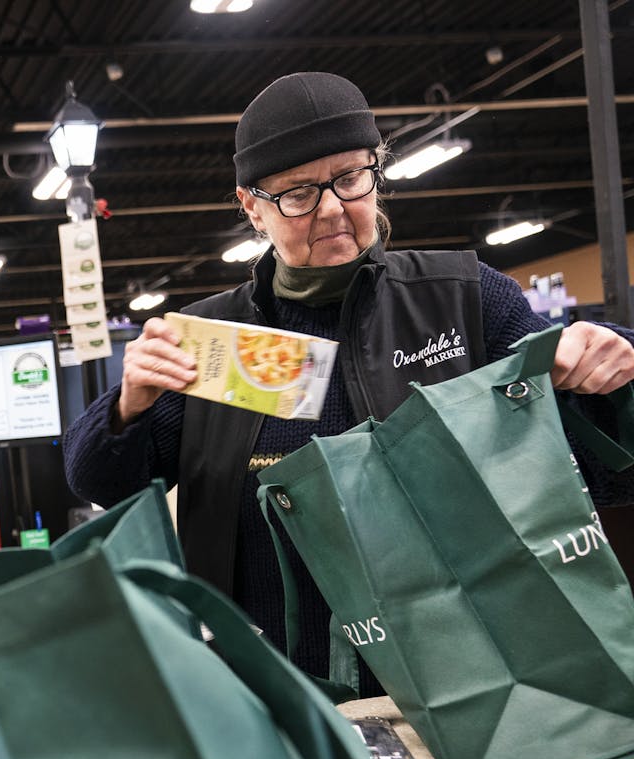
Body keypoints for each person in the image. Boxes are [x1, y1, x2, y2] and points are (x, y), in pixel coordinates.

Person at [64, 72, 634, 696]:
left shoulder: (464, 300)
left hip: (473, 687)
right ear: (250, 206)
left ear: (374, 171)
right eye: (298, 193)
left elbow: (596, 469)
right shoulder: (210, 342)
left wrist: (603, 369)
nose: (333, 208)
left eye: (349, 178)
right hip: (275, 690)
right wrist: (128, 405)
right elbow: (102, 484)